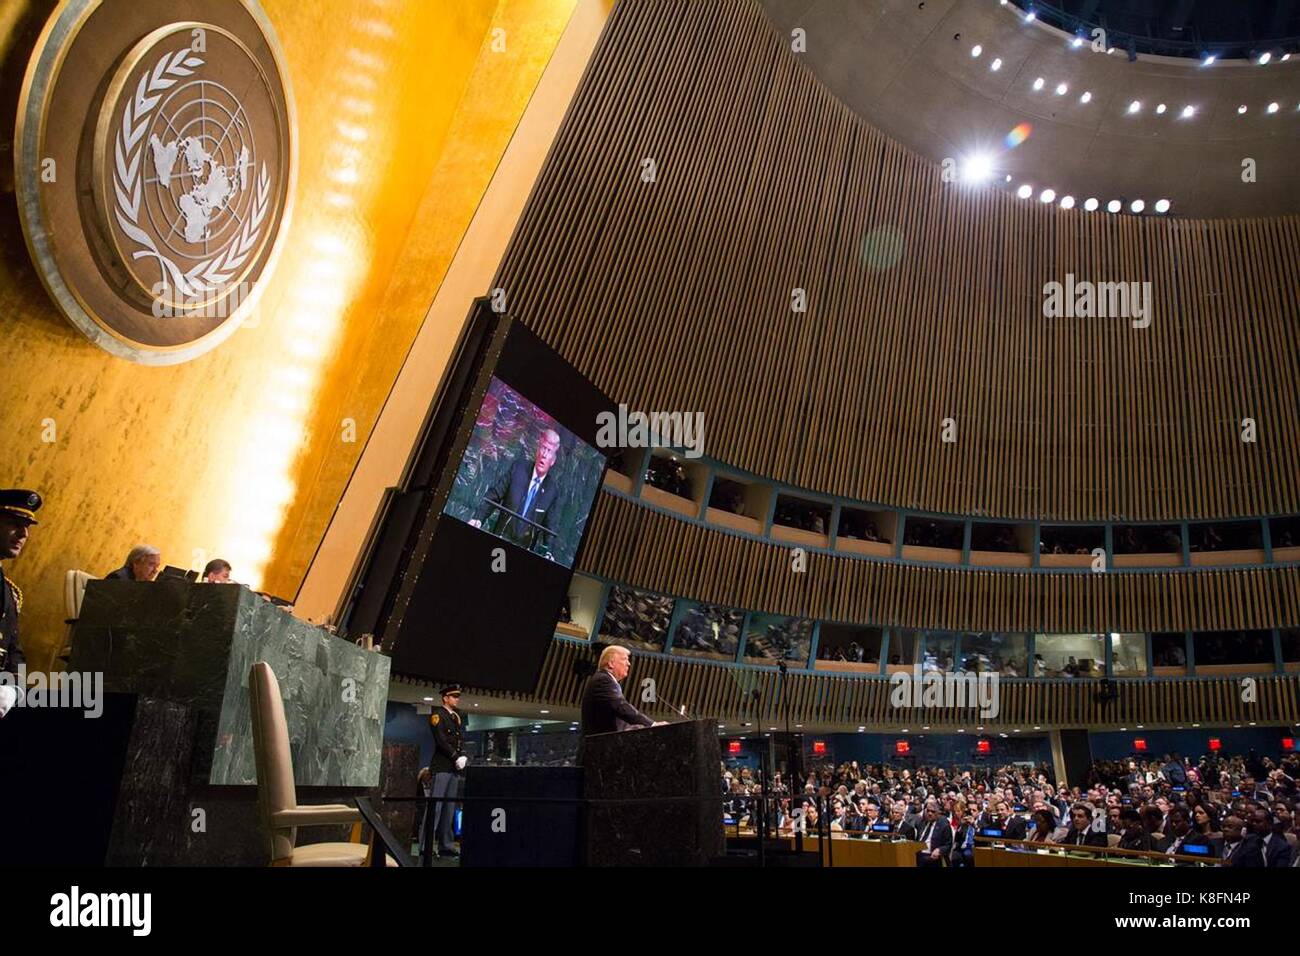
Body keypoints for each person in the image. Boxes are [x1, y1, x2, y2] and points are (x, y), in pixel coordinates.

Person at [470, 428, 562, 553]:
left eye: (549, 451)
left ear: (553, 460)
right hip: (499, 541)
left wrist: (549, 551)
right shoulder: (518, 468)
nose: (544, 454)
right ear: (537, 450)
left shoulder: (552, 490)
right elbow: (494, 495)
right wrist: (478, 518)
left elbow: (550, 527)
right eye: (543, 448)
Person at [578, 645, 665, 758]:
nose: (628, 663)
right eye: (624, 659)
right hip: (598, 753)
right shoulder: (603, 680)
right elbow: (621, 707)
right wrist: (652, 724)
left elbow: (618, 721)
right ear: (611, 663)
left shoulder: (607, 681)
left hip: (601, 751)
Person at [0, 489, 41, 718]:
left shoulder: (10, 592)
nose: (23, 533)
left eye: (27, 527)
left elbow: (14, 652)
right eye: (14, 523)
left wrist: (12, 689)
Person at [424, 683, 467, 861]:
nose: (457, 699)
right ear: (445, 698)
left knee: (449, 808)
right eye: (454, 696)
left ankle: (446, 846)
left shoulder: (456, 717)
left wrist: (462, 755)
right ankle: (425, 846)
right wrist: (455, 756)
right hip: (442, 766)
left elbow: (458, 739)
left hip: (453, 768)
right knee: (435, 807)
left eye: (457, 696)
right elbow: (441, 741)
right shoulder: (437, 715)